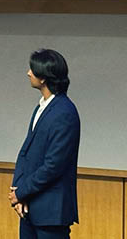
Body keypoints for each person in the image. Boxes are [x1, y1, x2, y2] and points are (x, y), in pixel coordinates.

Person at [8, 49, 81, 239]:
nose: (28, 73)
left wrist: (22, 192)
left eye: (32, 69)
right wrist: (18, 193)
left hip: (51, 212)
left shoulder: (64, 112)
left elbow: (53, 165)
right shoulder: (42, 107)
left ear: (44, 78)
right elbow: (25, 153)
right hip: (30, 207)